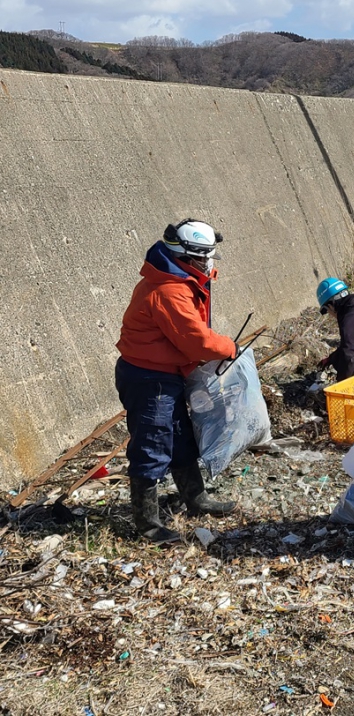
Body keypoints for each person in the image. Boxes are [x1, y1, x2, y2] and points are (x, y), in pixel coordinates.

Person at [115, 219, 239, 543]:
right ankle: (148, 525)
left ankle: (196, 499)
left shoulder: (178, 279)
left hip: (164, 373)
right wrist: (228, 347)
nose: (209, 263)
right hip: (149, 377)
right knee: (152, 445)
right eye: (204, 257)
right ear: (187, 256)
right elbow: (195, 340)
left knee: (181, 439)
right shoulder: (169, 290)